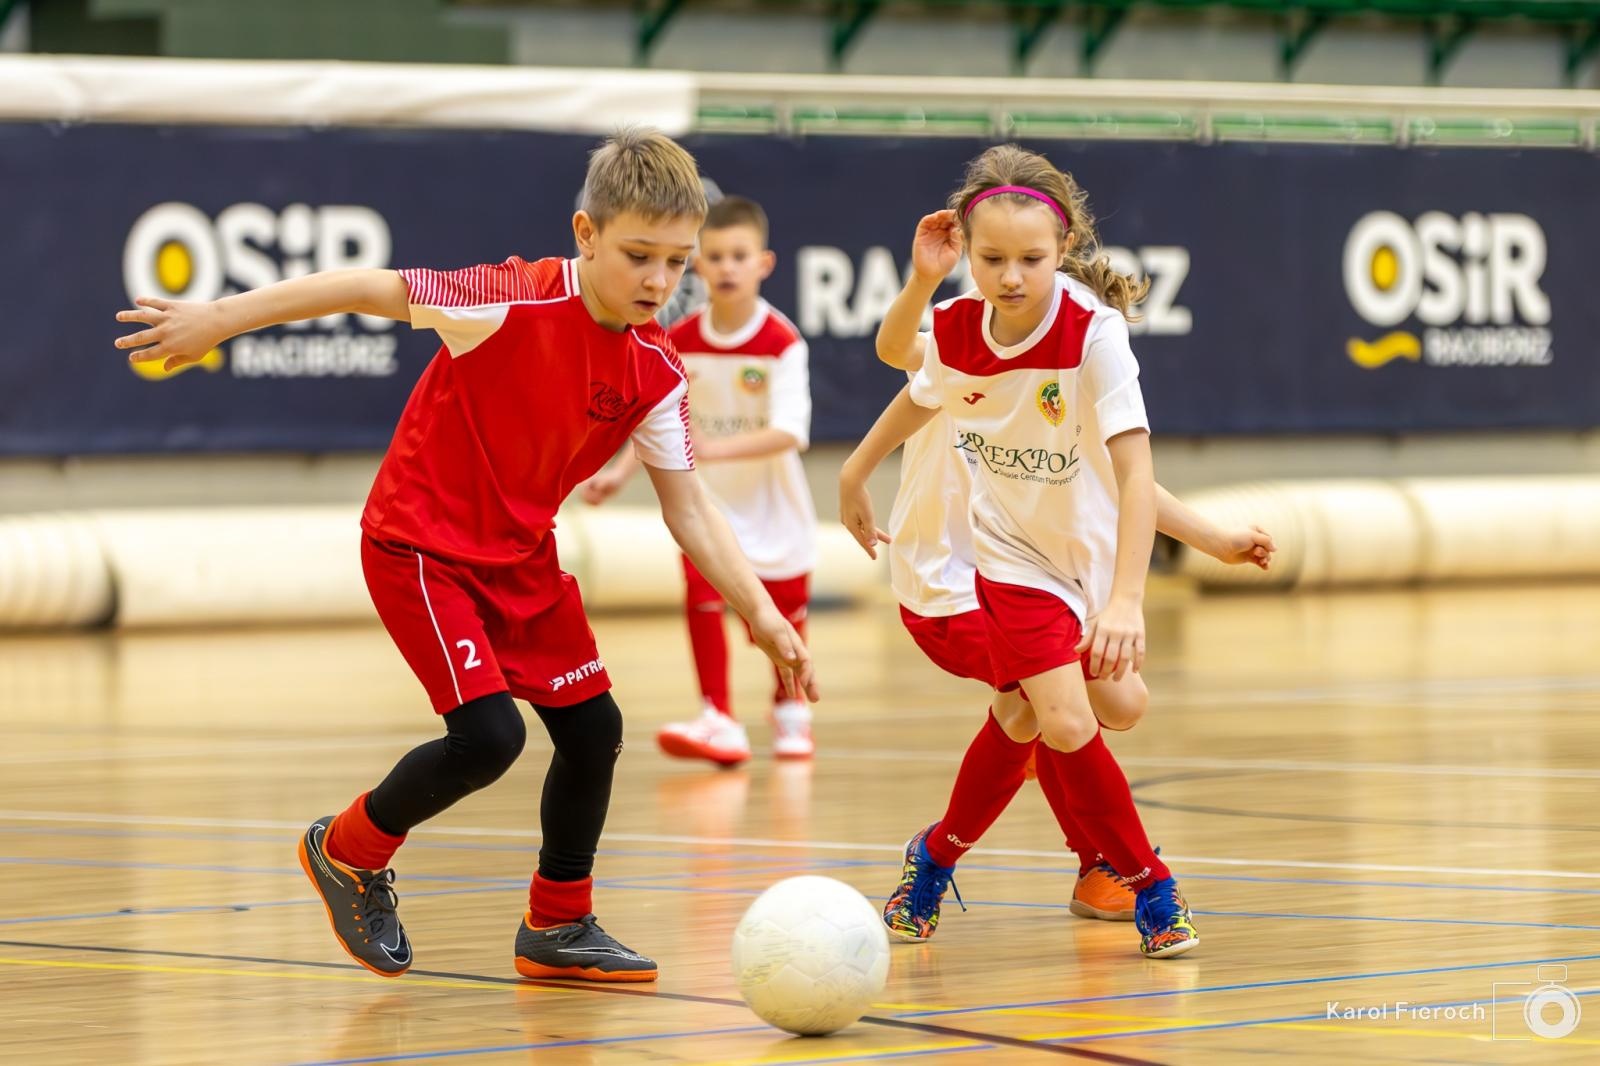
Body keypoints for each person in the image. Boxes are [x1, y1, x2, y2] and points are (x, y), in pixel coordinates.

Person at [114, 128, 818, 983]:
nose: (659, 282)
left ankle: (558, 923)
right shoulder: (507, 298)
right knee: (489, 738)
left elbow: (690, 508)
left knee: (594, 729)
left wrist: (764, 612)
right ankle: (346, 850)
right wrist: (220, 317)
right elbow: (364, 287)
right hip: (421, 544)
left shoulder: (656, 370)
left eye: (678, 264)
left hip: (521, 558)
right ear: (586, 234)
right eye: (639, 256)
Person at [838, 143, 1212, 958]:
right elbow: (912, 386)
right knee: (1066, 718)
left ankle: (934, 861)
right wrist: (854, 472)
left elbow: (1131, 469)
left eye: (1030, 260)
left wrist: (1131, 594)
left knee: (1080, 709)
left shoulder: (1092, 333)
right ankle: (1149, 885)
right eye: (992, 259)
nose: (1010, 277)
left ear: (1066, 245)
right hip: (1000, 562)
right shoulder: (953, 326)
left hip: (1080, 559)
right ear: (966, 252)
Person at [842, 383, 1272, 928]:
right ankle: (1130, 877)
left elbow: (1125, 479)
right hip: (950, 589)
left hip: (1043, 577)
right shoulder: (967, 336)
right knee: (1052, 710)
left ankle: (938, 855)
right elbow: (899, 348)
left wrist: (1213, 540)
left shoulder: (1089, 355)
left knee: (1111, 705)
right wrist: (852, 474)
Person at [581, 196, 816, 764]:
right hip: (707, 505)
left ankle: (790, 709)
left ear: (764, 263)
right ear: (698, 265)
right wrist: (617, 475)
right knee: (703, 595)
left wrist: (711, 447)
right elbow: (658, 422)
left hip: (774, 508)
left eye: (739, 256)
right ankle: (718, 716)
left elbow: (791, 432)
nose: (728, 267)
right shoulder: (677, 339)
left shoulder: (782, 344)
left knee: (781, 616)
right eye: (715, 256)